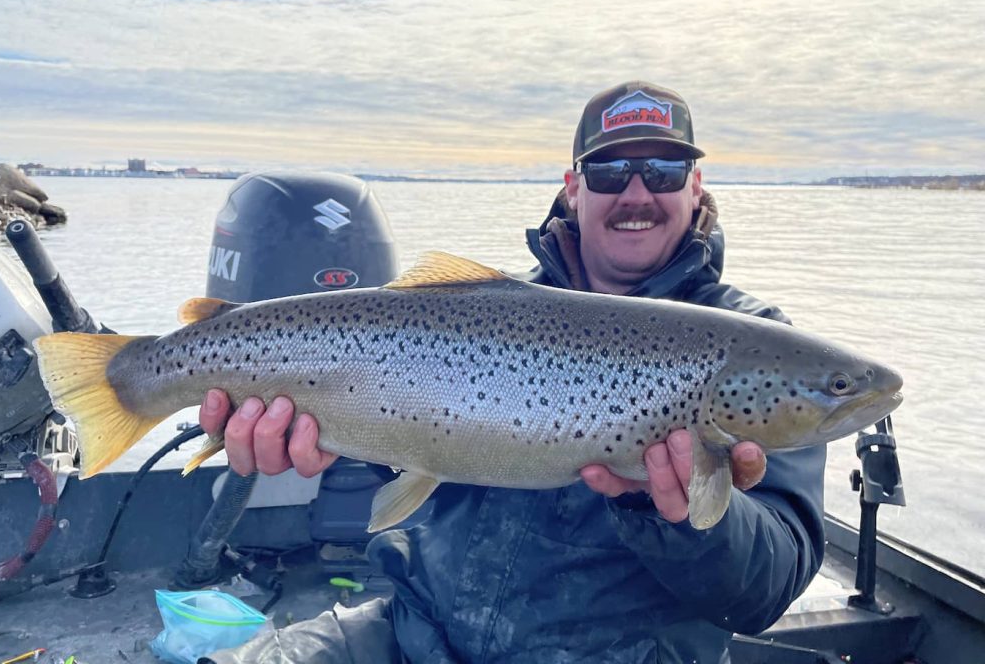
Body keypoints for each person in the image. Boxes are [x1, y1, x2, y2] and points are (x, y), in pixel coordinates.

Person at [199, 81, 826, 664]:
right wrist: (329, 440)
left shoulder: (757, 341)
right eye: (609, 170)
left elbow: (768, 586)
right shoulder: (490, 312)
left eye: (663, 170)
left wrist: (677, 509)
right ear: (574, 188)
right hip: (416, 629)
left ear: (695, 187)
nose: (636, 193)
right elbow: (405, 425)